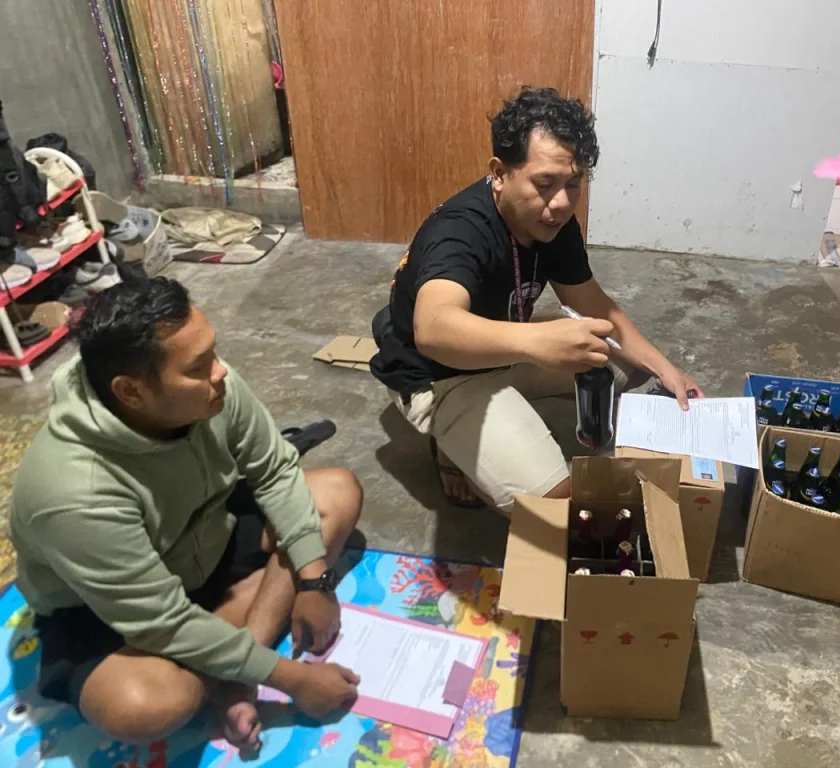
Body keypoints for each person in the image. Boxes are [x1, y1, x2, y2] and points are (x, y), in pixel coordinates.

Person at [11, 277, 364, 749]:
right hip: (107, 609)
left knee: (336, 493)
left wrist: (316, 581)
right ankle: (243, 643)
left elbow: (276, 470)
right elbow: (161, 622)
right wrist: (291, 677)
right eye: (198, 367)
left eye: (213, 353)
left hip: (207, 531)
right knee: (143, 707)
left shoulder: (212, 388)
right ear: (130, 392)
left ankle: (235, 668)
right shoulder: (73, 492)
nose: (221, 372)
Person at [370, 87, 702, 512]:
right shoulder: (459, 231)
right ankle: (451, 442)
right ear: (499, 173)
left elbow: (594, 303)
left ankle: (479, 438)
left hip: (503, 343)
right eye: (544, 183)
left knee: (622, 372)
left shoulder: (553, 221)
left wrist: (665, 368)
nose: (561, 203)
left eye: (574, 184)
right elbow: (433, 329)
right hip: (438, 374)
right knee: (553, 505)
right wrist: (536, 343)